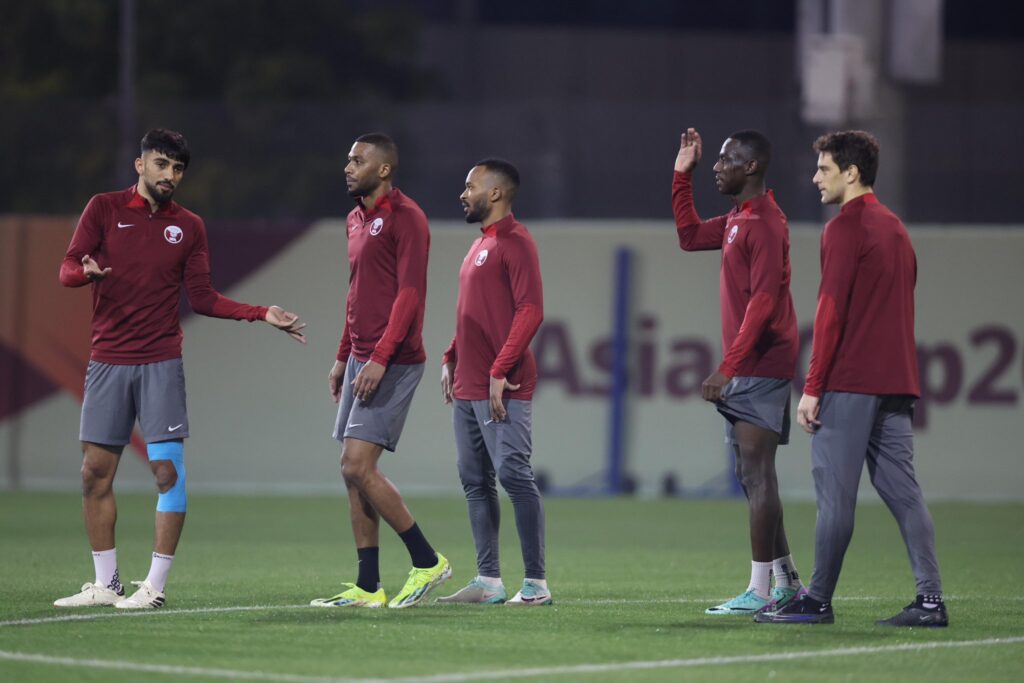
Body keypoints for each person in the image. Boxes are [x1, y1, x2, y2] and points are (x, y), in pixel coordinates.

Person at [55, 128, 306, 610]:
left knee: (167, 472)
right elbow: (66, 268)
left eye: (177, 168)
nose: (170, 174)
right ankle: (106, 584)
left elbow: (204, 298)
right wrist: (83, 273)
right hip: (107, 360)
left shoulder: (189, 226)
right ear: (140, 164)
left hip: (160, 362)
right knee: (93, 473)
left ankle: (154, 587)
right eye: (161, 164)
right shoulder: (103, 209)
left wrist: (260, 313)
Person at [757, 131, 946, 626]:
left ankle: (817, 599)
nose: (815, 178)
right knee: (906, 495)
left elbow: (831, 311)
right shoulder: (897, 229)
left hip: (850, 382)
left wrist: (813, 385)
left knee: (835, 497)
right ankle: (930, 601)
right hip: (897, 382)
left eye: (824, 169)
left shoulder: (844, 228)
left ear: (851, 172)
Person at [310, 133, 450, 610]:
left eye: (358, 160)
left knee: (357, 465)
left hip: (393, 359)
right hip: (361, 358)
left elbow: (409, 294)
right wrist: (343, 355)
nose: (347, 167)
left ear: (384, 169)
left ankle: (427, 561)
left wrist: (380, 357)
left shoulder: (407, 218)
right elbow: (357, 293)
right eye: (348, 159)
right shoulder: (355, 219)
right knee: (351, 473)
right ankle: (368, 587)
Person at [672, 128, 805, 615]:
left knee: (758, 473)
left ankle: (760, 590)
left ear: (751, 166)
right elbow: (689, 237)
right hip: (750, 362)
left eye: (727, 158)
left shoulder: (764, 223)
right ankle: (787, 582)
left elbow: (764, 302)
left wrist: (728, 367)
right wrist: (681, 175)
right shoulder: (739, 218)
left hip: (761, 361)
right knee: (750, 475)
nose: (717, 165)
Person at [436, 159, 551, 606]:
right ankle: (488, 581)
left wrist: (500, 370)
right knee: (475, 481)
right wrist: (450, 355)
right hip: (468, 382)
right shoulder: (480, 243)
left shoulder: (516, 241)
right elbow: (474, 312)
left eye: (471, 186)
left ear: (496, 193)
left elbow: (530, 311)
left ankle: (536, 585)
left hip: (503, 384)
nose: (463, 194)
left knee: (513, 475)